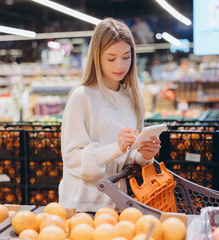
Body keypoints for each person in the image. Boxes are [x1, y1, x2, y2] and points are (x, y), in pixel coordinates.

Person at [58, 18, 161, 213]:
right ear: (97, 57)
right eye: (111, 58)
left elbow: (125, 155)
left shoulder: (132, 98)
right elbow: (72, 157)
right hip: (83, 207)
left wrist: (142, 155)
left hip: (117, 203)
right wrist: (117, 147)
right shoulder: (83, 97)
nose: (120, 66)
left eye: (126, 57)